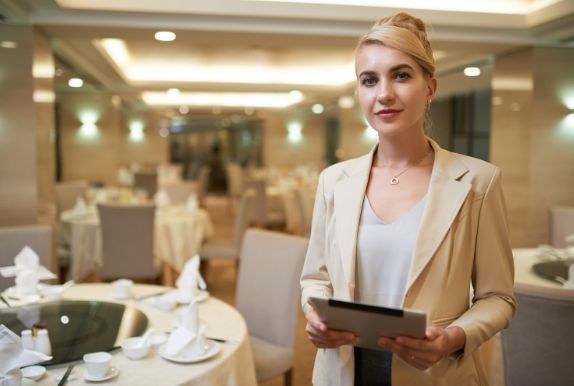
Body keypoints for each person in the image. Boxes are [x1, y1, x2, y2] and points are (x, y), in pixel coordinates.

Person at [300, 12, 516, 386]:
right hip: (344, 369)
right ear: (359, 93)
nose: (384, 93)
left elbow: (498, 298)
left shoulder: (479, 181)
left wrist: (453, 338)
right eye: (369, 80)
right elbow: (316, 278)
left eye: (401, 75)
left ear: (430, 87)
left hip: (435, 372)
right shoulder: (334, 181)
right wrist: (315, 316)